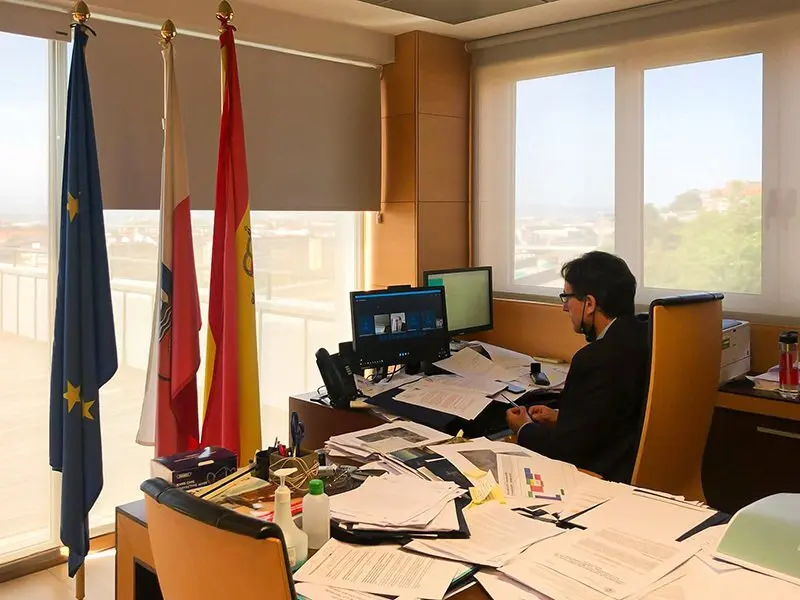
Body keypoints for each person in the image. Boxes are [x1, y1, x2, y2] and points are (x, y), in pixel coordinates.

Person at [505, 251, 650, 482]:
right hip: (638, 467)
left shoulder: (595, 359)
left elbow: (566, 451)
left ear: (589, 304)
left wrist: (523, 428)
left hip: (602, 476)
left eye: (567, 297)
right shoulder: (649, 335)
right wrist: (562, 417)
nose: (564, 308)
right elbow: (611, 414)